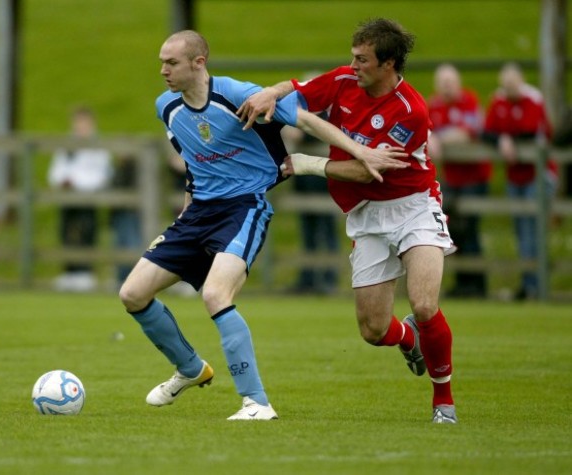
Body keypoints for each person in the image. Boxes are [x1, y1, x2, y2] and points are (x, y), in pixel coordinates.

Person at [118, 30, 407, 421]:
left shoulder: (238, 95)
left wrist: (360, 151)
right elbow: (194, 161)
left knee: (216, 295)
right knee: (132, 293)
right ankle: (190, 369)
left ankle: (256, 403)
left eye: (171, 63)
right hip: (197, 213)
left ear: (198, 63)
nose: (163, 70)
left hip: (243, 208)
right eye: (161, 62)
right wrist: (184, 216)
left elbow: (306, 120)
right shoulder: (166, 107)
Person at [238, 18, 459, 423]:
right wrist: (270, 92)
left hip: (413, 206)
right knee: (374, 330)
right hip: (366, 216)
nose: (352, 65)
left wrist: (304, 163)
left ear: (389, 64)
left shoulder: (410, 111)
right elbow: (299, 93)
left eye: (363, 60)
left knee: (425, 304)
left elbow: (367, 171)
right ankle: (409, 339)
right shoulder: (344, 80)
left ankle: (443, 402)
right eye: (352, 57)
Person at [482, 62, 557, 301]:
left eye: (512, 85)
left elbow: (532, 131)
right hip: (516, 176)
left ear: (521, 81)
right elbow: (487, 131)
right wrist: (502, 139)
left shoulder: (533, 99)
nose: (509, 90)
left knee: (533, 231)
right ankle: (529, 284)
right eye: (505, 86)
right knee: (520, 230)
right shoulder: (499, 99)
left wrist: (506, 139)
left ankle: (536, 286)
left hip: (538, 174)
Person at [427, 63, 490, 298]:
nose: (446, 88)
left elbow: (467, 132)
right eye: (442, 83)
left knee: (471, 228)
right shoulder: (434, 105)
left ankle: (477, 285)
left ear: (458, 83)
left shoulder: (469, 101)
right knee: (452, 229)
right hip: (451, 179)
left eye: (450, 82)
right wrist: (432, 137)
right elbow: (425, 130)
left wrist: (439, 139)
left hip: (474, 177)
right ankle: (463, 283)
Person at [48, 107, 113, 292]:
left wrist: (79, 183)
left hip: (87, 197)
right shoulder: (67, 144)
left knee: (87, 233)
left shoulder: (98, 146)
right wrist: (62, 181)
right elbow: (57, 169)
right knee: (66, 233)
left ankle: (85, 273)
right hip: (68, 197)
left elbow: (102, 173)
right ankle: (70, 272)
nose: (81, 127)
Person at [282, 113, 339, 294]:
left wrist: (298, 133)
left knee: (327, 228)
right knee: (308, 231)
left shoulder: (326, 110)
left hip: (322, 180)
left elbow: (315, 132)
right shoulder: (300, 108)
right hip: (304, 180)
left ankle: (329, 278)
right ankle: (308, 278)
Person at [110, 154, 142, 287]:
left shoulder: (134, 170)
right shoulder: (121, 171)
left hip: (131, 212)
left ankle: (128, 279)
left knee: (130, 244)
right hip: (123, 212)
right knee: (122, 243)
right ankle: (123, 279)